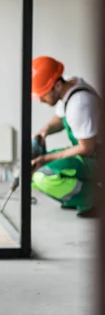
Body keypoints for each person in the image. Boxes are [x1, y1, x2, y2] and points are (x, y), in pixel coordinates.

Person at [31, 55, 101, 218]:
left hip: (96, 156)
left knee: (43, 176)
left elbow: (87, 148)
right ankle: (78, 198)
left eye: (43, 94)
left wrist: (47, 158)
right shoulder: (69, 84)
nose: (40, 100)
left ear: (57, 85)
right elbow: (61, 118)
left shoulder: (79, 103)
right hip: (89, 152)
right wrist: (45, 130)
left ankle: (96, 199)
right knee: (33, 172)